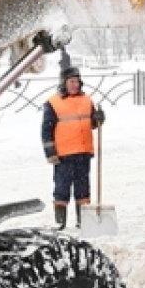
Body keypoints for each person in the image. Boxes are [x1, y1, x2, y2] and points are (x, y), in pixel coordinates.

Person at [42, 66, 105, 229]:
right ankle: (60, 222)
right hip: (63, 155)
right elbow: (46, 130)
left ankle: (83, 221)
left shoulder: (87, 100)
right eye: (72, 81)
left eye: (77, 81)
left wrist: (98, 119)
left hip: (83, 153)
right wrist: (50, 152)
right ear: (64, 83)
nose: (75, 85)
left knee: (83, 190)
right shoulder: (53, 103)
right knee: (62, 189)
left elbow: (91, 123)